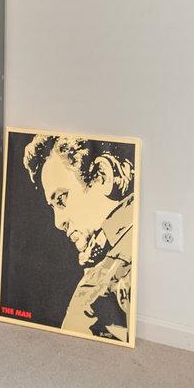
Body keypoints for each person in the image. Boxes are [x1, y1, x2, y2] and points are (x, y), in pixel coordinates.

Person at [23, 133, 136, 343]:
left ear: (102, 176)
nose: (58, 222)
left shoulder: (119, 269)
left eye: (62, 199)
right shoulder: (108, 257)